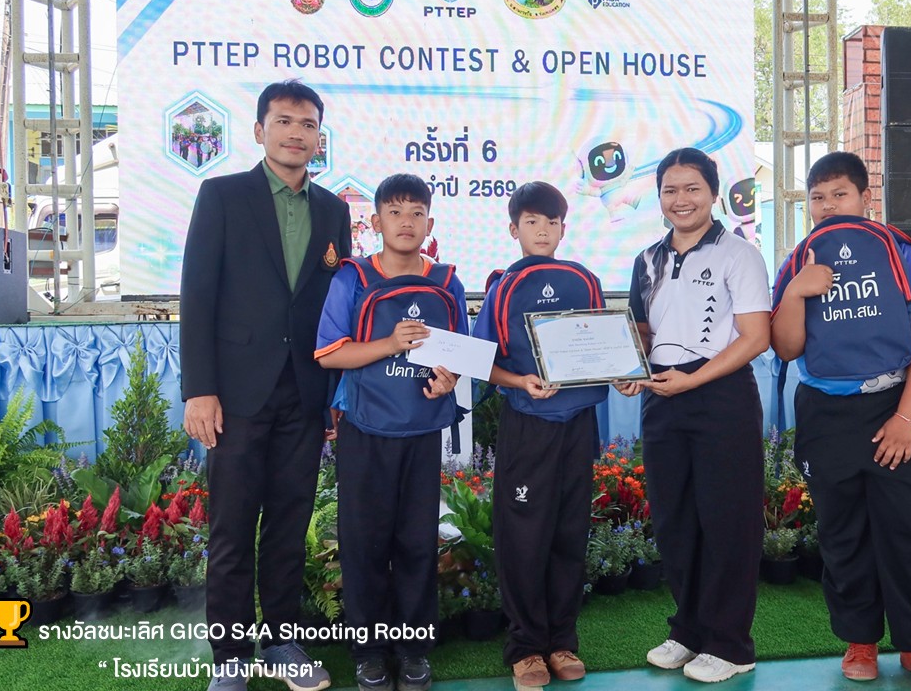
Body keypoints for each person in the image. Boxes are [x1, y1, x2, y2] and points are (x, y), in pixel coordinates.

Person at [180, 79, 350, 691]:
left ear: (319, 138)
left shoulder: (333, 210)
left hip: (305, 394)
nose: (295, 134)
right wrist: (199, 389)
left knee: (288, 526)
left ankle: (283, 644)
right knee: (231, 529)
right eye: (283, 121)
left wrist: (336, 394)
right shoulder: (222, 195)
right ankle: (229, 658)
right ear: (259, 130)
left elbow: (338, 310)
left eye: (307, 125)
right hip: (235, 395)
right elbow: (197, 296)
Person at [769, 151, 911, 688]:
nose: (828, 206)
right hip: (825, 414)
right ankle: (860, 642)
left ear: (865, 198)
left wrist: (906, 417)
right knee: (841, 534)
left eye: (840, 194)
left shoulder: (900, 252)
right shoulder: (797, 261)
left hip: (895, 404)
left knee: (908, 532)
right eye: (818, 198)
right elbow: (786, 348)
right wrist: (798, 292)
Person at [618, 147, 770, 684]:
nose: (680, 200)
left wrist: (694, 378)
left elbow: (756, 337)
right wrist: (627, 368)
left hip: (721, 396)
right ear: (659, 197)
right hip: (663, 395)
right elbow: (643, 333)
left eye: (692, 189)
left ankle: (731, 645)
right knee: (674, 521)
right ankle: (688, 631)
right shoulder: (647, 259)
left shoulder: (739, 254)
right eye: (670, 190)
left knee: (727, 522)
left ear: (712, 193)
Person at [314, 173, 466, 691]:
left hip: (421, 430)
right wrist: (391, 343)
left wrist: (448, 380)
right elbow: (329, 352)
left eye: (416, 212)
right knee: (364, 545)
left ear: (430, 222)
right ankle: (369, 653)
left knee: (418, 543)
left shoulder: (446, 281)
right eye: (395, 212)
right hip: (364, 430)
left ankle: (414, 649)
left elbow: (457, 355)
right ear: (375, 222)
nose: (407, 222)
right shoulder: (353, 278)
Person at [472, 181, 610, 688]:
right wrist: (519, 381)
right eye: (532, 222)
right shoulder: (504, 287)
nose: (543, 230)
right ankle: (526, 647)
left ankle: (561, 641)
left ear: (563, 228)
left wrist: (621, 371)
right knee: (524, 537)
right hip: (529, 426)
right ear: (514, 230)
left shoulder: (585, 280)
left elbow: (604, 345)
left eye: (552, 222)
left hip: (577, 424)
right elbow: (482, 362)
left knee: (569, 532)